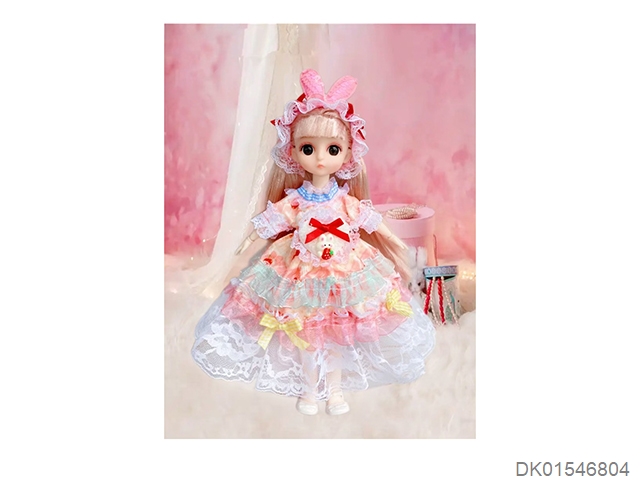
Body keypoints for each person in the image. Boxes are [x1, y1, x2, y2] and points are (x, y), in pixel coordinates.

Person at [192, 69, 435, 416]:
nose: (320, 158)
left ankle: (334, 391)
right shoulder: (295, 202)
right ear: (293, 151)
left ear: (347, 153)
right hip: (301, 276)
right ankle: (309, 390)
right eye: (309, 148)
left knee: (335, 336)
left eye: (332, 149)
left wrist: (400, 246)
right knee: (307, 336)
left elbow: (377, 226)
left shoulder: (346, 202)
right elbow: (264, 227)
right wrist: (237, 252)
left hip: (344, 275)